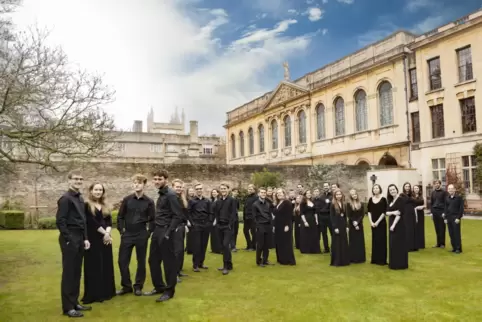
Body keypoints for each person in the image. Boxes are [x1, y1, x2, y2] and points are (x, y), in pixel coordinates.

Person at [55, 170, 91, 318]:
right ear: (69, 180)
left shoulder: (80, 198)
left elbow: (83, 221)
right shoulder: (65, 198)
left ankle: (75, 302)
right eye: (76, 179)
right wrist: (69, 239)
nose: (78, 181)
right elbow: (61, 221)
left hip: (80, 237)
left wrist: (86, 238)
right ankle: (68, 307)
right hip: (70, 237)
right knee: (69, 273)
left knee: (77, 272)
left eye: (81, 179)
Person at [145, 169, 184, 302]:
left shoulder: (171, 195)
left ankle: (169, 291)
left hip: (166, 231)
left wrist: (168, 233)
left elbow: (177, 216)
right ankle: (159, 287)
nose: (157, 181)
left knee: (168, 263)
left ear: (165, 180)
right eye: (155, 179)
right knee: (153, 260)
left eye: (159, 179)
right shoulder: (161, 194)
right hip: (157, 230)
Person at [116, 174, 155, 296]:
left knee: (141, 261)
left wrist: (148, 233)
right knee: (122, 261)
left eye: (139, 182)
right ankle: (126, 286)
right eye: (134, 182)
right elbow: (120, 216)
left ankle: (138, 286)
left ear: (144, 184)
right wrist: (121, 230)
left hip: (141, 234)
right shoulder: (127, 200)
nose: (136, 184)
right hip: (127, 234)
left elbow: (153, 219)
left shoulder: (149, 201)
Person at [82, 182, 116, 304]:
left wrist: (107, 233)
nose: (98, 192)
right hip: (93, 239)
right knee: (94, 266)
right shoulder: (86, 205)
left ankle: (106, 292)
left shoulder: (105, 205)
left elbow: (109, 221)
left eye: (100, 190)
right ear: (91, 191)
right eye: (96, 189)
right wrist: (105, 234)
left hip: (105, 239)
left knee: (106, 264)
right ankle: (94, 294)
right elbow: (91, 222)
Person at [213, 183, 238, 275]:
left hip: (228, 226)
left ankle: (225, 266)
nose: (223, 190)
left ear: (228, 190)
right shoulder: (218, 201)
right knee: (223, 246)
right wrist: (217, 223)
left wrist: (230, 225)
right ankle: (230, 264)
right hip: (220, 226)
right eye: (222, 189)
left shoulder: (232, 200)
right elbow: (216, 213)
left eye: (225, 188)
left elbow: (233, 214)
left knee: (225, 244)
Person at [188, 182, 212, 272]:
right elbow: (189, 213)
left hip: (205, 225)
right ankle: (195, 265)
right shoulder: (192, 201)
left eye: (200, 189)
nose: (199, 190)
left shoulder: (207, 201)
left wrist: (209, 222)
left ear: (203, 190)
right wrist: (192, 223)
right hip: (196, 225)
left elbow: (210, 213)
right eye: (197, 189)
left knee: (204, 245)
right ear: (195, 190)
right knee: (197, 245)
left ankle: (201, 263)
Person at [386, 184, 409, 270]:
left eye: (393, 189)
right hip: (391, 222)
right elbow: (386, 212)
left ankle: (400, 264)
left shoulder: (400, 200)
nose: (392, 191)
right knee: (392, 244)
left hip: (398, 225)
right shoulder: (390, 200)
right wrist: (393, 212)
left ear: (396, 189)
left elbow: (399, 214)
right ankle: (393, 263)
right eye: (390, 190)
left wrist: (393, 225)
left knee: (398, 243)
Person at [171, 179, 189, 283]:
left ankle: (179, 270)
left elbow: (186, 208)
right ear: (173, 187)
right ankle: (174, 274)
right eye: (177, 187)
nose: (179, 188)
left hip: (182, 226)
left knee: (181, 250)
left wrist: (183, 196)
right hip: (175, 227)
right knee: (176, 251)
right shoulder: (171, 198)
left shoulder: (180, 198)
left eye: (181, 187)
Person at [273, 188, 296, 265]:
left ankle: (288, 260)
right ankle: (281, 259)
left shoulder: (287, 202)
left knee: (286, 242)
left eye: (280, 193)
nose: (279, 194)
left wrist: (286, 225)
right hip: (278, 225)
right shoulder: (278, 203)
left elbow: (289, 215)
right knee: (279, 242)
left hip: (285, 225)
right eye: (277, 193)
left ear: (284, 193)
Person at [252, 187, 274, 267]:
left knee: (267, 245)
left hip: (268, 226)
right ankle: (258, 261)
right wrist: (257, 226)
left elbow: (270, 215)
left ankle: (265, 260)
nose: (263, 194)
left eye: (264, 193)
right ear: (259, 194)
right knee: (260, 244)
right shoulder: (255, 204)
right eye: (262, 192)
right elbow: (254, 217)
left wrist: (271, 225)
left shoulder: (267, 204)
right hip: (260, 226)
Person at [367, 184, 388, 266]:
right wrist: (371, 222)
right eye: (374, 188)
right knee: (375, 240)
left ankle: (382, 260)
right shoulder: (370, 199)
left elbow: (384, 212)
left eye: (377, 188)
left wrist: (377, 222)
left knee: (381, 240)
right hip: (373, 223)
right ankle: (375, 259)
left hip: (381, 223)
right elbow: (369, 211)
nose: (375, 189)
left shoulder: (383, 199)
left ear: (380, 189)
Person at [330, 188, 350, 267]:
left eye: (340, 194)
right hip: (337, 225)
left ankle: (344, 260)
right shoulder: (332, 204)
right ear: (335, 196)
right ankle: (337, 261)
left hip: (343, 225)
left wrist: (347, 226)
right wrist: (335, 227)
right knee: (337, 243)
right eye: (337, 194)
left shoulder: (344, 204)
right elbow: (332, 217)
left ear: (342, 195)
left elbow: (345, 216)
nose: (339, 196)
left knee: (344, 242)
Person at [347, 189, 366, 264]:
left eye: (355, 194)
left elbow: (362, 214)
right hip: (352, 224)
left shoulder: (361, 203)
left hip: (359, 224)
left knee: (359, 241)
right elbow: (349, 215)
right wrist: (354, 222)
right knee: (353, 241)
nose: (354, 195)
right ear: (350, 196)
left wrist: (357, 222)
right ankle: (353, 258)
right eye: (352, 194)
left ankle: (360, 258)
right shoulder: (348, 204)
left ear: (357, 194)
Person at [443, 184, 464, 254]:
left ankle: (458, 248)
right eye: (449, 189)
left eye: (451, 189)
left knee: (456, 234)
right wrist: (445, 218)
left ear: (454, 189)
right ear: (447, 190)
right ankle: (454, 247)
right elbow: (445, 208)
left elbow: (461, 209)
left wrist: (458, 217)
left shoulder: (459, 198)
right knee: (451, 234)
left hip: (455, 218)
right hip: (449, 218)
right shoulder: (447, 198)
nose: (450, 190)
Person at [401, 182, 418, 252]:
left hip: (412, 213)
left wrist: (416, 215)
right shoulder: (401, 195)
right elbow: (403, 203)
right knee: (407, 229)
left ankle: (413, 246)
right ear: (404, 187)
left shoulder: (412, 194)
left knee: (413, 229)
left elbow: (415, 203)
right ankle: (407, 246)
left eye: (408, 186)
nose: (407, 188)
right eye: (406, 186)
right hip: (405, 213)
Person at [430, 180, 447, 248]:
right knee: (437, 228)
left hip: (441, 211)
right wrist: (431, 212)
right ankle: (438, 243)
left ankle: (442, 243)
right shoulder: (433, 192)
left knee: (442, 228)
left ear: (440, 184)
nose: (436, 185)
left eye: (438, 183)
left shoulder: (444, 192)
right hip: (434, 212)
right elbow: (431, 203)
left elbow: (446, 203)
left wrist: (444, 212)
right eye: (435, 183)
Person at [318, 182, 333, 253]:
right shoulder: (321, 197)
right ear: (323, 187)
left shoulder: (332, 196)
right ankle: (326, 248)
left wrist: (324, 209)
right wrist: (324, 210)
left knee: (332, 233)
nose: (326, 187)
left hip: (330, 216)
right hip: (322, 217)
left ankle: (334, 247)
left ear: (329, 186)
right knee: (324, 233)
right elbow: (319, 207)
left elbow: (331, 207)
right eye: (324, 186)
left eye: (327, 186)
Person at [243, 184, 258, 251]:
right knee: (245, 231)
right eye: (249, 188)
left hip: (253, 217)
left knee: (253, 232)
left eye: (251, 189)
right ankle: (249, 245)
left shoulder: (256, 197)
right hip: (246, 217)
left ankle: (253, 246)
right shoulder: (247, 197)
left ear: (254, 190)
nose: (249, 190)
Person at [413, 185, 426, 249]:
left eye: (417, 188)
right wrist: (415, 208)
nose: (416, 189)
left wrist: (422, 207)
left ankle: (421, 244)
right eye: (415, 188)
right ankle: (416, 244)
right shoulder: (412, 197)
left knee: (421, 228)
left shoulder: (422, 196)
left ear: (419, 189)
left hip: (421, 213)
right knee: (415, 228)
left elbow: (425, 205)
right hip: (414, 213)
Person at [210, 189, 222, 254]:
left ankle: (219, 249)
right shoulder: (211, 201)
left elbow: (218, 212)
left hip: (216, 219)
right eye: (212, 192)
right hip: (211, 219)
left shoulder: (219, 201)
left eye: (215, 192)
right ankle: (213, 249)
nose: (213, 193)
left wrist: (215, 220)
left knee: (217, 235)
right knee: (212, 235)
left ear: (218, 193)